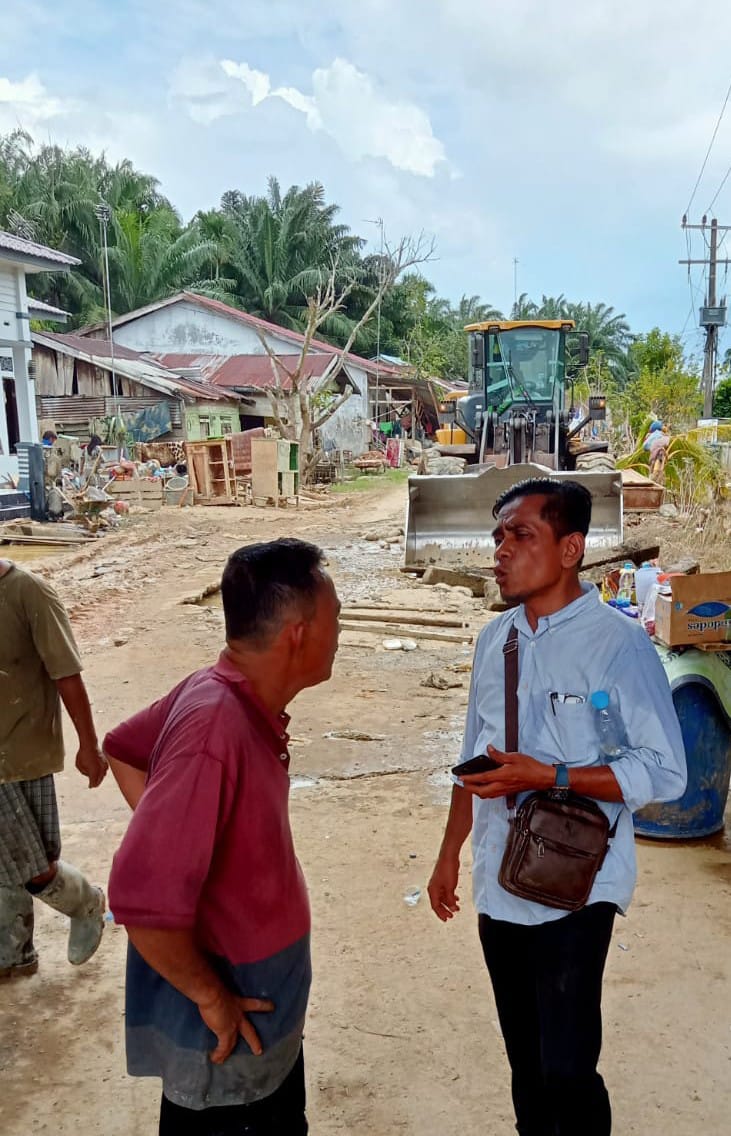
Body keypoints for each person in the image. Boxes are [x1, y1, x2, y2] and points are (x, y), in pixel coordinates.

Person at [427, 478, 686, 1136]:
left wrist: (552, 774)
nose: (500, 552)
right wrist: (447, 856)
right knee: (524, 1066)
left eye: (521, 535)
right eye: (497, 537)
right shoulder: (496, 641)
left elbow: (664, 771)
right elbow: (473, 757)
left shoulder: (616, 646)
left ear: (569, 548)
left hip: (578, 882)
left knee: (566, 1070)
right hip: (498, 877)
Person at [105, 538, 341, 1135]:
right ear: (296, 633)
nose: (340, 634)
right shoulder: (215, 726)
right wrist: (211, 996)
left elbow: (124, 748)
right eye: (335, 619)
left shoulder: (225, 694)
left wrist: (186, 839)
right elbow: (142, 902)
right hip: (231, 1045)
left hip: (264, 1021)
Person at [0, 560, 107, 981]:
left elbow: (67, 674)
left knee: (31, 865)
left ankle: (85, 903)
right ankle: (13, 956)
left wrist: (88, 743)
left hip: (18, 754)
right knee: (6, 863)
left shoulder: (29, 593)